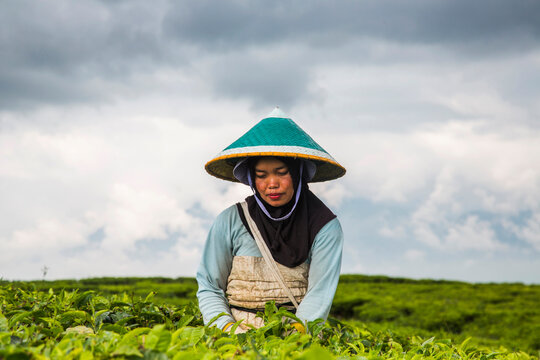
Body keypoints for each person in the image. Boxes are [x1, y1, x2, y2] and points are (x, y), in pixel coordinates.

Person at [196, 108, 346, 333]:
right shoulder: (230, 221)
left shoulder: (324, 226)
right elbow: (209, 286)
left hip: (293, 335)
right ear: (251, 179)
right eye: (261, 175)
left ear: (297, 174)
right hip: (231, 335)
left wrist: (292, 341)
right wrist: (228, 331)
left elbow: (319, 294)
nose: (272, 184)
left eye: (281, 172)